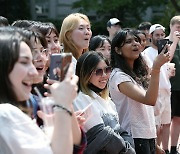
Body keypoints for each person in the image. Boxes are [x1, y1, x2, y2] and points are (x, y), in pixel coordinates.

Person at [0, 28, 82, 154]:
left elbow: (77, 145)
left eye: (42, 50)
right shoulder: (5, 114)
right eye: (24, 62)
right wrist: (63, 105)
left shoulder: (29, 103)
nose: (33, 71)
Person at [108, 28, 170, 154]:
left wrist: (155, 143)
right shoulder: (118, 76)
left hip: (147, 137)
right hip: (133, 138)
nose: (135, 43)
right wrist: (156, 68)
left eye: (136, 40)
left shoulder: (137, 74)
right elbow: (149, 100)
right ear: (118, 50)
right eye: (128, 41)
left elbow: (145, 112)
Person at [73, 51, 135, 154]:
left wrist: (127, 146)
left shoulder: (109, 102)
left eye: (107, 70)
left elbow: (121, 133)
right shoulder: (80, 99)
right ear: (85, 74)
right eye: (98, 72)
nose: (104, 75)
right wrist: (128, 150)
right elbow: (103, 138)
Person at [143, 24, 174, 154]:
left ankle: (165, 150)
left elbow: (165, 72)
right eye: (157, 35)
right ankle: (155, 150)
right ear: (151, 36)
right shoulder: (145, 53)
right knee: (156, 127)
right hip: (155, 93)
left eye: (162, 35)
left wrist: (170, 72)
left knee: (166, 124)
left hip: (167, 91)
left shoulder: (165, 52)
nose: (160, 37)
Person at [166, 15, 180, 154]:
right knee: (167, 120)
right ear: (171, 27)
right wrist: (175, 41)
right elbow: (167, 59)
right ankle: (164, 147)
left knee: (178, 119)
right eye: (178, 27)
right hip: (169, 87)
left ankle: (174, 147)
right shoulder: (166, 42)